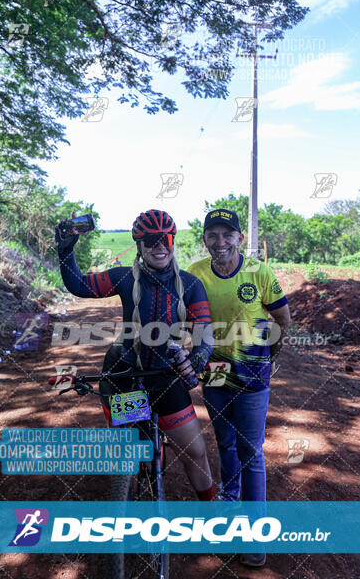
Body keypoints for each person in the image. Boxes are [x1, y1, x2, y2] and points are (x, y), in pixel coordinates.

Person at [55, 209, 215, 501]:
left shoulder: (191, 285)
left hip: (166, 378)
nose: (159, 246)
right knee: (125, 458)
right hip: (126, 376)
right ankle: (126, 502)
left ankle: (212, 515)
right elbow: (79, 285)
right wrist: (65, 249)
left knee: (196, 453)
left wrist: (197, 359)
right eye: (150, 240)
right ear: (139, 246)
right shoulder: (125, 278)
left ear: (173, 241)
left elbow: (205, 334)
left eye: (165, 238)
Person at [187, 208, 291, 566]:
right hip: (214, 374)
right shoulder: (195, 274)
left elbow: (282, 317)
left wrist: (269, 356)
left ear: (239, 239)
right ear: (204, 239)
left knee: (251, 451)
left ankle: (254, 531)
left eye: (227, 235)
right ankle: (229, 501)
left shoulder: (258, 272)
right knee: (225, 442)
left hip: (251, 375)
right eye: (212, 235)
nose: (220, 242)